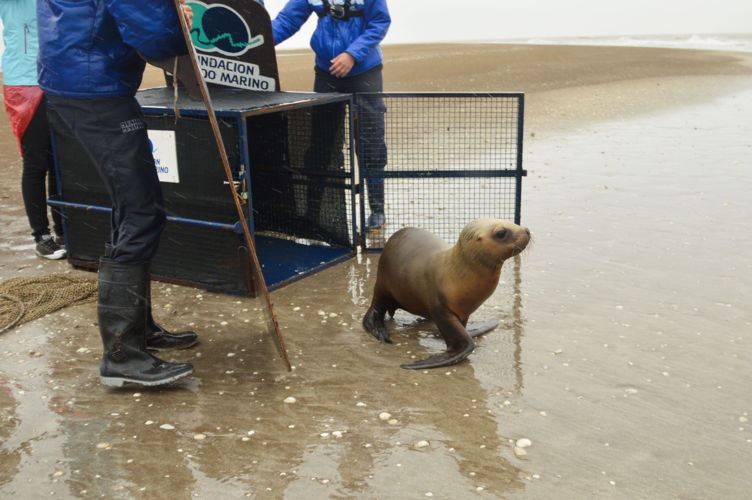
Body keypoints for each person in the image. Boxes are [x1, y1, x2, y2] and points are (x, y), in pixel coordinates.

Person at [37, 0, 198, 387]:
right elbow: (155, 35)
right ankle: (122, 354)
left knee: (133, 208)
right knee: (142, 213)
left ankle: (138, 330)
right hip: (97, 88)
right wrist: (178, 21)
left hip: (75, 81)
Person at [272, 0, 391, 231]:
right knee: (320, 145)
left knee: (370, 145)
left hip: (365, 72)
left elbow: (379, 21)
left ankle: (377, 211)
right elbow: (286, 21)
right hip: (327, 73)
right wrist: (256, 43)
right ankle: (313, 213)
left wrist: (352, 54)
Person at [0, 0, 66, 259]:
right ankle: (42, 235)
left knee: (61, 161)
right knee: (37, 162)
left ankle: (65, 229)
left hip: (60, 78)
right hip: (25, 84)